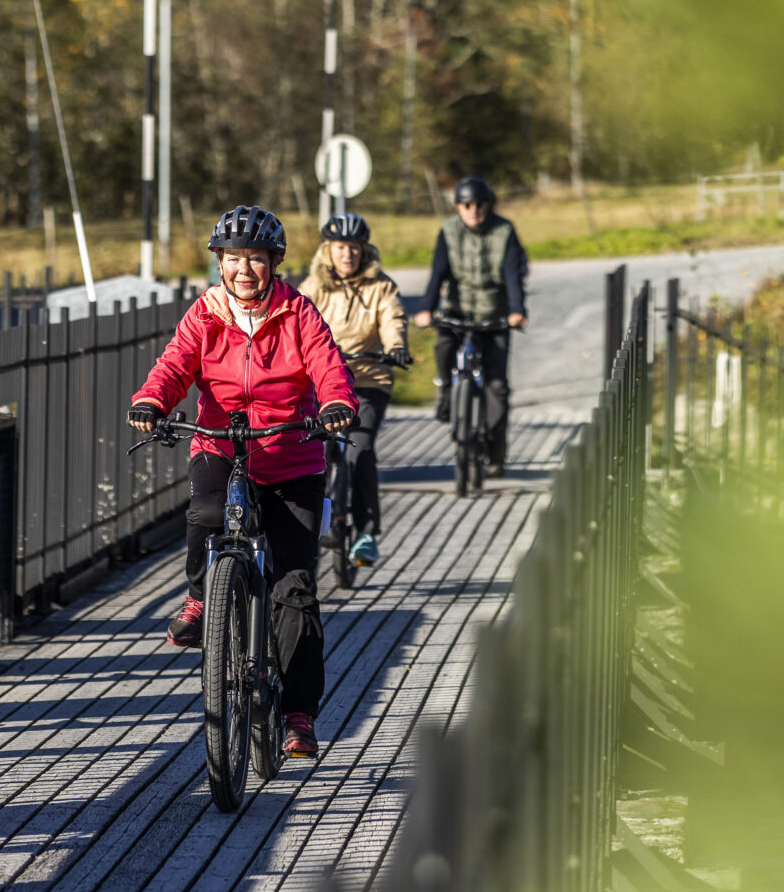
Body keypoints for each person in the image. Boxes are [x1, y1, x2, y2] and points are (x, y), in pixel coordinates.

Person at [128, 206, 356, 761]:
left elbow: (328, 365)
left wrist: (334, 403)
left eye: (254, 258)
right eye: (233, 259)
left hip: (290, 454)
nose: (243, 269)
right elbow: (176, 364)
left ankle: (298, 716)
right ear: (220, 265)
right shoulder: (205, 313)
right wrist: (153, 399)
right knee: (205, 513)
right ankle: (200, 595)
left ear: (274, 262)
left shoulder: (298, 311)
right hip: (220, 443)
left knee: (294, 589)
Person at [298, 212, 412, 566]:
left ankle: (365, 531)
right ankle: (305, 525)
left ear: (365, 250)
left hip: (367, 379)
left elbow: (392, 317)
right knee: (311, 453)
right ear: (327, 251)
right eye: (340, 248)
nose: (348, 255)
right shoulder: (312, 287)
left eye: (355, 248)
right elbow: (293, 322)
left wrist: (395, 346)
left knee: (358, 449)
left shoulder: (380, 286)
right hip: (321, 383)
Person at [411, 175, 528, 475]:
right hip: (457, 310)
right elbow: (437, 272)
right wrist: (426, 309)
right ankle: (446, 389)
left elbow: (513, 275)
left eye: (479, 204)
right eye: (466, 205)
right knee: (444, 344)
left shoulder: (504, 230)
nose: (473, 210)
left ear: (488, 205)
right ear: (458, 207)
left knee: (497, 387)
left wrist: (516, 310)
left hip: (494, 314)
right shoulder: (448, 231)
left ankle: (496, 451)